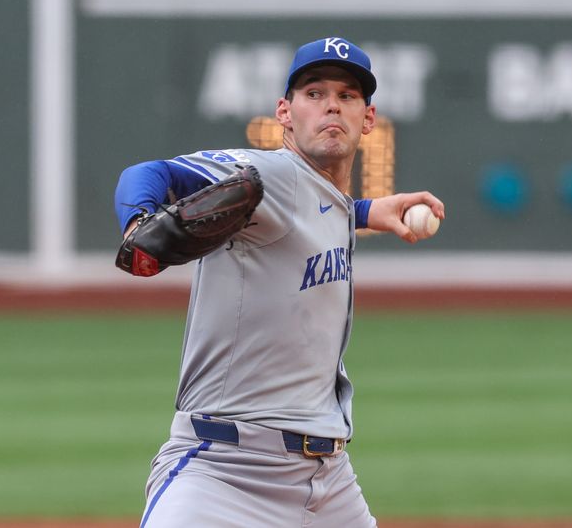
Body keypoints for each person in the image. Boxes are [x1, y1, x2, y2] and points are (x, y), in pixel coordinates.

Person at [114, 37, 445, 528]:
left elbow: (307, 215)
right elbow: (148, 172)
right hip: (223, 473)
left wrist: (367, 211)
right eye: (314, 93)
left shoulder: (326, 199)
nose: (331, 103)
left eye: (347, 95)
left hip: (329, 485)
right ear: (285, 113)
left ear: (368, 119)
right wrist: (137, 222)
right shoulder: (265, 174)